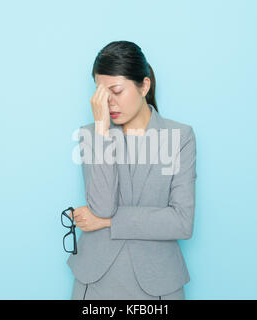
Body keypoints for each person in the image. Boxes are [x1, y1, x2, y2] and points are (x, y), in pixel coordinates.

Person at [67, 40, 197, 300]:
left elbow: (181, 223)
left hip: (159, 282)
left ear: (144, 86)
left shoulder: (180, 136)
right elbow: (102, 204)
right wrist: (102, 131)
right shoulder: (90, 134)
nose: (109, 103)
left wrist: (106, 223)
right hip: (96, 280)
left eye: (116, 90)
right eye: (101, 94)